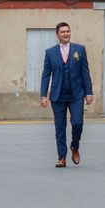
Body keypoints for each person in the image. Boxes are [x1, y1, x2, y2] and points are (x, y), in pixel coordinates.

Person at [40, 22, 94, 168]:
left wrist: (89, 92)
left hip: (76, 94)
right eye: (63, 32)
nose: (66, 34)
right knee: (60, 126)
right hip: (58, 95)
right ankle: (61, 157)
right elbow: (46, 75)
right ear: (57, 34)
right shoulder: (50, 52)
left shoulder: (79, 50)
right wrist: (43, 95)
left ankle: (74, 146)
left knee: (77, 123)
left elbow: (85, 72)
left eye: (68, 31)